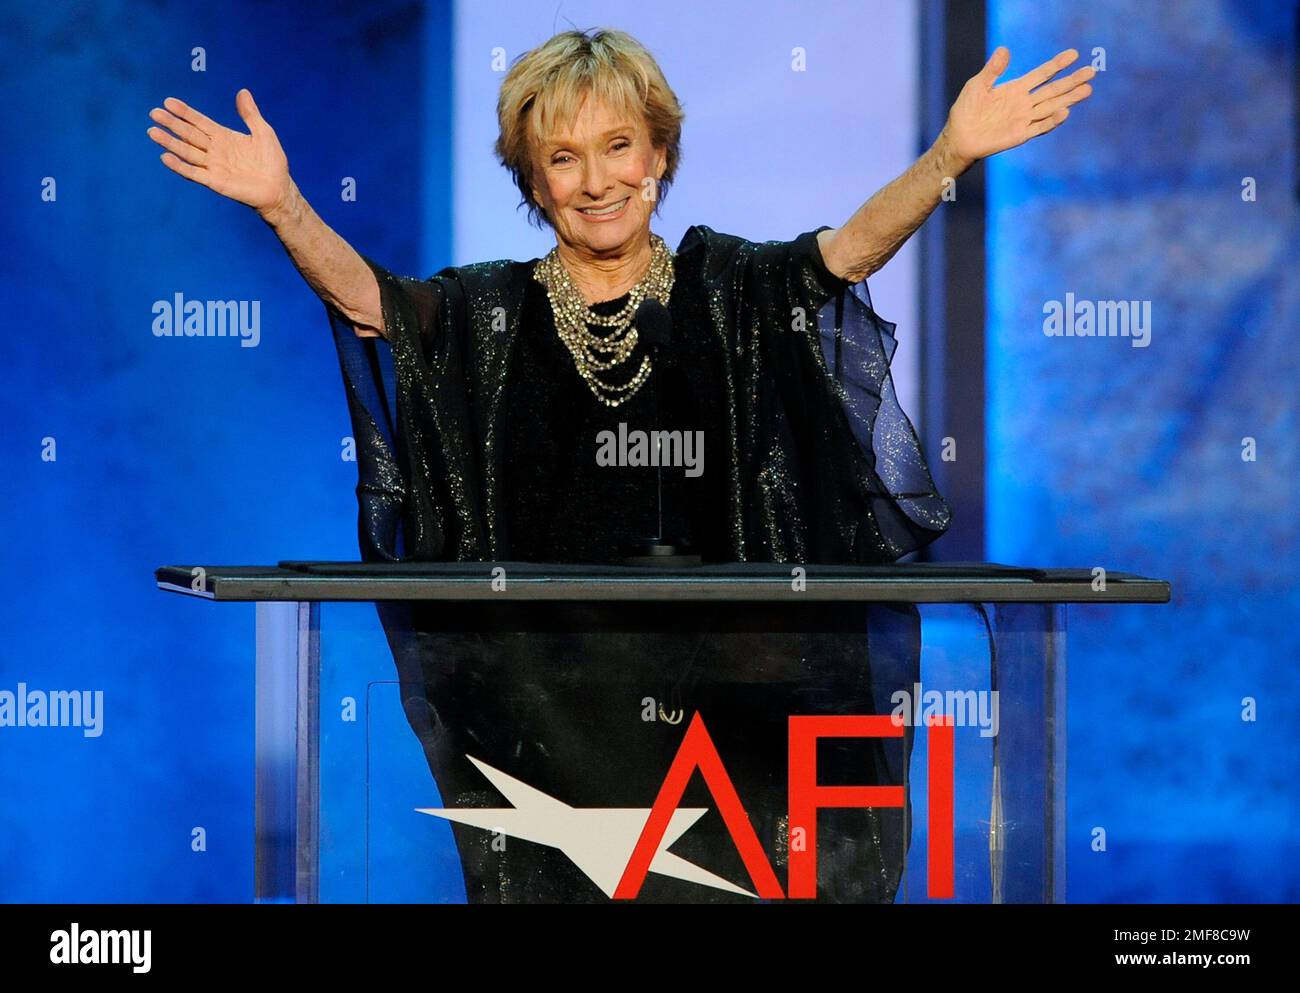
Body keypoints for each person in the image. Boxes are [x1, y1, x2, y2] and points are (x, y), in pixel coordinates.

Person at [149, 28, 1094, 903]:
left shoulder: (734, 289)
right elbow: (375, 308)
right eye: (563, 157)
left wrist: (949, 158)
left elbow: (844, 254)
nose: (596, 180)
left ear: (660, 156)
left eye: (618, 146)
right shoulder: (488, 315)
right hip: (553, 744)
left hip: (739, 739)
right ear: (533, 179)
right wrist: (283, 205)